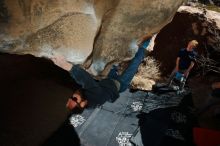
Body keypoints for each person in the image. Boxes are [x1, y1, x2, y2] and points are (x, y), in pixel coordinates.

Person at [52, 34, 153, 113]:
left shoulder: (85, 99)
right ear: (82, 104)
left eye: (71, 97)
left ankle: (124, 48)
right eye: (74, 99)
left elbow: (84, 82)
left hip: (107, 82)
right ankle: (147, 42)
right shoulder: (95, 97)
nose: (73, 95)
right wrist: (65, 65)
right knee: (134, 64)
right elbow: (85, 79)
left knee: (113, 61)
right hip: (119, 85)